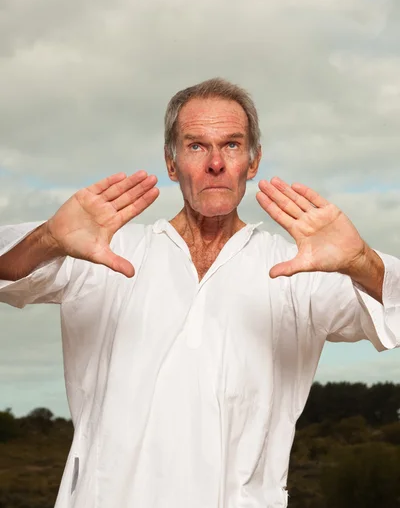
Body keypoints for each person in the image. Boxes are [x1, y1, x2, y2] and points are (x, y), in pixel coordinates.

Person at [0, 77, 399, 508]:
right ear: (171, 164)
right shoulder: (105, 251)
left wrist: (359, 260)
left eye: (231, 145)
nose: (215, 163)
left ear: (253, 160)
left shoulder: (297, 271)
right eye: (195, 146)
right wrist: (48, 240)